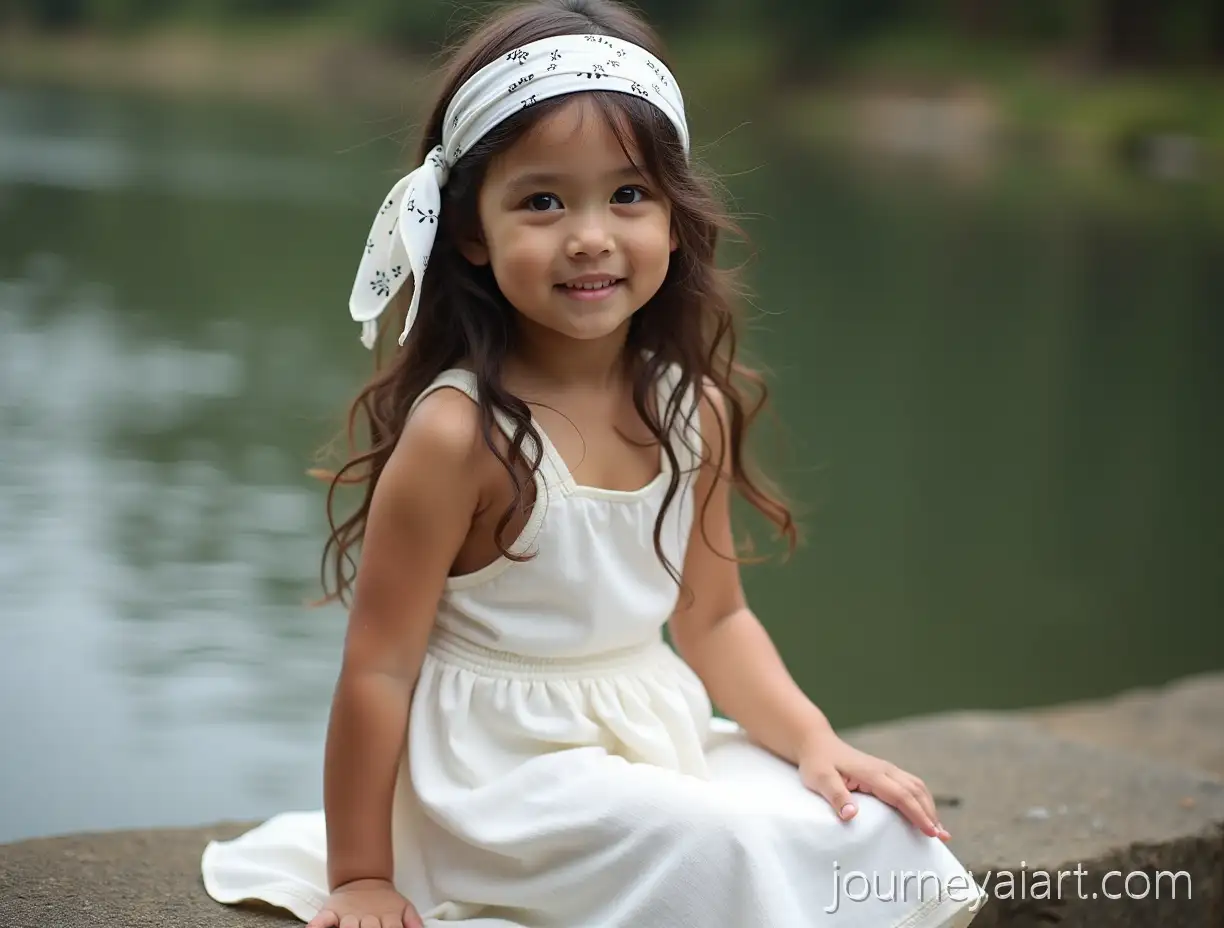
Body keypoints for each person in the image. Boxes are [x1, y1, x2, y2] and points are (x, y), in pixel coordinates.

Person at [201, 1, 988, 925]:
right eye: (541, 201)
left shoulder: (690, 407)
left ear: (673, 215)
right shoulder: (462, 435)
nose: (590, 236)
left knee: (880, 833)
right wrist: (363, 876)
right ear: (471, 232)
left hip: (652, 737)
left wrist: (816, 742)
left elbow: (716, 621)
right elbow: (377, 669)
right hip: (502, 781)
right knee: (716, 846)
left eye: (628, 195)